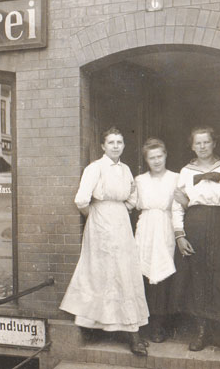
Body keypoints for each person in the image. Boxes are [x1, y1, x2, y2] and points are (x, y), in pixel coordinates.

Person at [60, 127, 149, 356]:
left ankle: (129, 328)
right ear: (103, 146)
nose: (116, 146)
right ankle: (104, 327)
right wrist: (95, 215)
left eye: (120, 142)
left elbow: (132, 198)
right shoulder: (95, 168)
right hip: (99, 223)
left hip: (121, 223)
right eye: (111, 142)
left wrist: (119, 210)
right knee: (101, 272)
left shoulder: (126, 169)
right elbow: (81, 199)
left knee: (124, 272)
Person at [170, 126, 220, 351]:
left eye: (206, 142)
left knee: (219, 274)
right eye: (197, 143)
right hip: (195, 224)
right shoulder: (186, 172)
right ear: (192, 146)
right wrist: (180, 235)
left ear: (214, 143)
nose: (202, 147)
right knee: (197, 277)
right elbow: (177, 206)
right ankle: (201, 332)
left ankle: (219, 330)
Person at [134, 138, 179, 343]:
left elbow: (182, 204)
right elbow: (130, 202)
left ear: (166, 155)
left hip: (166, 226)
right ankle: (148, 324)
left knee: (164, 273)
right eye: (152, 158)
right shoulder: (140, 180)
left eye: (159, 156)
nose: (156, 161)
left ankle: (162, 325)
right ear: (146, 160)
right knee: (144, 273)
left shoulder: (176, 178)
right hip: (146, 228)